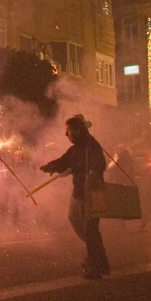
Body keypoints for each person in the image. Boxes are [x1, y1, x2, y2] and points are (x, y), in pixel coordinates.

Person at [40, 114, 110, 280]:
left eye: (69, 130)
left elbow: (100, 163)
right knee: (74, 219)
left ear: (78, 130)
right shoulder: (76, 148)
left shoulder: (90, 145)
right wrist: (51, 166)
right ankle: (99, 258)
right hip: (79, 192)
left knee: (91, 230)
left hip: (92, 193)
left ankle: (95, 265)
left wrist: (93, 172)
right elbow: (65, 161)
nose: (67, 134)